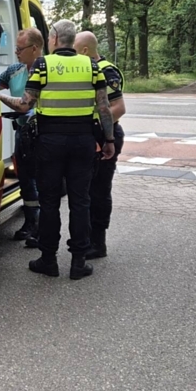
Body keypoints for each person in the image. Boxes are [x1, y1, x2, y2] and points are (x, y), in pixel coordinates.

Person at [0, 19, 116, 280]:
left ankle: (49, 259)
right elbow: (104, 108)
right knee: (81, 201)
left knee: (49, 202)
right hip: (82, 142)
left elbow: (24, 105)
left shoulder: (43, 65)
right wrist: (109, 140)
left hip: (50, 142)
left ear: (55, 39)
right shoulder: (91, 66)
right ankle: (78, 262)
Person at [74, 30, 126, 259]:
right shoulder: (84, 70)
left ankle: (98, 242)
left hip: (105, 136)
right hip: (88, 138)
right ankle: (84, 240)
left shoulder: (106, 70)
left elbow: (118, 108)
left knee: (99, 191)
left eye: (74, 49)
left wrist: (94, 127)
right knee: (84, 191)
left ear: (85, 50)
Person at [0, 28, 43, 241]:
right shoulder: (14, 70)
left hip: (43, 133)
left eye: (20, 49)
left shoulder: (47, 68)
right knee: (24, 178)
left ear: (35, 49)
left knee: (41, 179)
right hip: (22, 133)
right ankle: (30, 222)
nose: (16, 52)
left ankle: (42, 227)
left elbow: (25, 105)